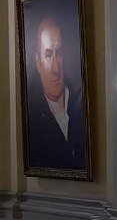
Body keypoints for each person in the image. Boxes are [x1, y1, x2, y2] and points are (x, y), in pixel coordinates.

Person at [26, 18, 86, 170]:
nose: (55, 69)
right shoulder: (31, 117)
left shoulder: (82, 101)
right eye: (48, 55)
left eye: (58, 54)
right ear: (38, 63)